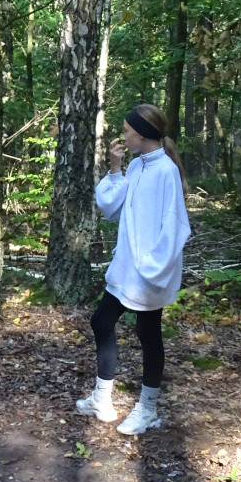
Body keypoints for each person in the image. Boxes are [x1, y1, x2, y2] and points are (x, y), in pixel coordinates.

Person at [75, 104, 191, 435]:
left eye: (127, 130)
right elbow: (110, 207)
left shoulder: (165, 171)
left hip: (151, 271)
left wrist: (152, 268)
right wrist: (115, 167)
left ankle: (148, 408)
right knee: (102, 321)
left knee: (148, 332)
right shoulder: (139, 166)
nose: (123, 136)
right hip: (127, 268)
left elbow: (176, 227)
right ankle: (103, 399)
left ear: (141, 134)